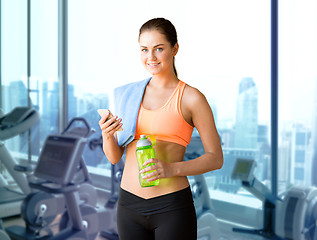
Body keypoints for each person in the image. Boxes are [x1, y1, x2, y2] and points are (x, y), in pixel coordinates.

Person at [99, 17, 223, 240]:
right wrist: (107, 135)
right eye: (144, 50)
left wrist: (170, 169)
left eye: (158, 49)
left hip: (171, 207)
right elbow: (115, 157)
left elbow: (215, 158)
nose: (151, 57)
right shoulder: (127, 95)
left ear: (175, 48)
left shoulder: (191, 98)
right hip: (128, 205)